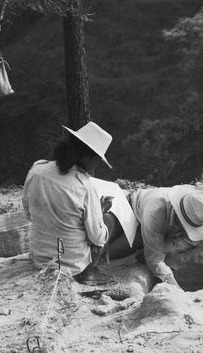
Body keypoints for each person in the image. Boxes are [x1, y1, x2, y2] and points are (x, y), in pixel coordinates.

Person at [23, 121, 131, 285]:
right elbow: (97, 237)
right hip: (72, 265)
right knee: (108, 221)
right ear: (87, 157)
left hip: (40, 258)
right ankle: (88, 272)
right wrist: (101, 216)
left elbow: (28, 213)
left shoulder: (37, 169)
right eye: (97, 160)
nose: (96, 164)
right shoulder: (84, 186)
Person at [129, 185, 203, 289]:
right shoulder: (155, 211)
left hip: (162, 228)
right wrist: (175, 288)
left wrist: (165, 248)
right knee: (134, 245)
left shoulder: (197, 209)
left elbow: (193, 241)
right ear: (178, 214)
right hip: (133, 214)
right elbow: (154, 260)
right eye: (186, 226)